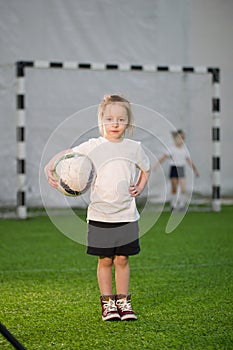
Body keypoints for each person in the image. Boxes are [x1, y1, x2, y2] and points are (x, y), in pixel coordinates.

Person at [44, 95, 150, 321]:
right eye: (109, 118)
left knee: (122, 259)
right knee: (105, 260)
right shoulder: (92, 146)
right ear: (101, 120)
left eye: (121, 119)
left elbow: (146, 168)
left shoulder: (134, 147)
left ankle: (124, 302)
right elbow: (68, 153)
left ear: (128, 123)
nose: (115, 123)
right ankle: (108, 304)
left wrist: (140, 186)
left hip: (127, 215)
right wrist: (49, 166)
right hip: (100, 215)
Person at [155, 129, 199, 211]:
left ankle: (182, 205)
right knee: (174, 188)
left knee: (183, 188)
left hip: (181, 168)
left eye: (183, 138)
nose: (181, 140)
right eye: (179, 138)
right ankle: (173, 205)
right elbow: (163, 158)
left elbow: (189, 160)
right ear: (175, 139)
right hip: (174, 169)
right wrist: (156, 165)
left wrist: (195, 170)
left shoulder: (184, 150)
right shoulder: (171, 149)